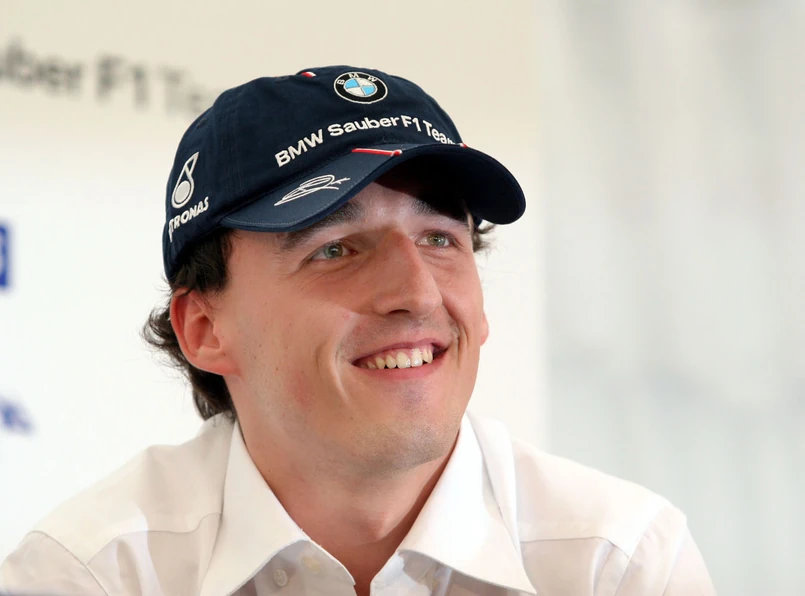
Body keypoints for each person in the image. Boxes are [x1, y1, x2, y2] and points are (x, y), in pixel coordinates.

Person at [0, 66, 717, 596]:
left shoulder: (617, 564)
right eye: (336, 249)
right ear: (205, 327)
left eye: (440, 239)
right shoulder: (93, 574)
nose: (418, 292)